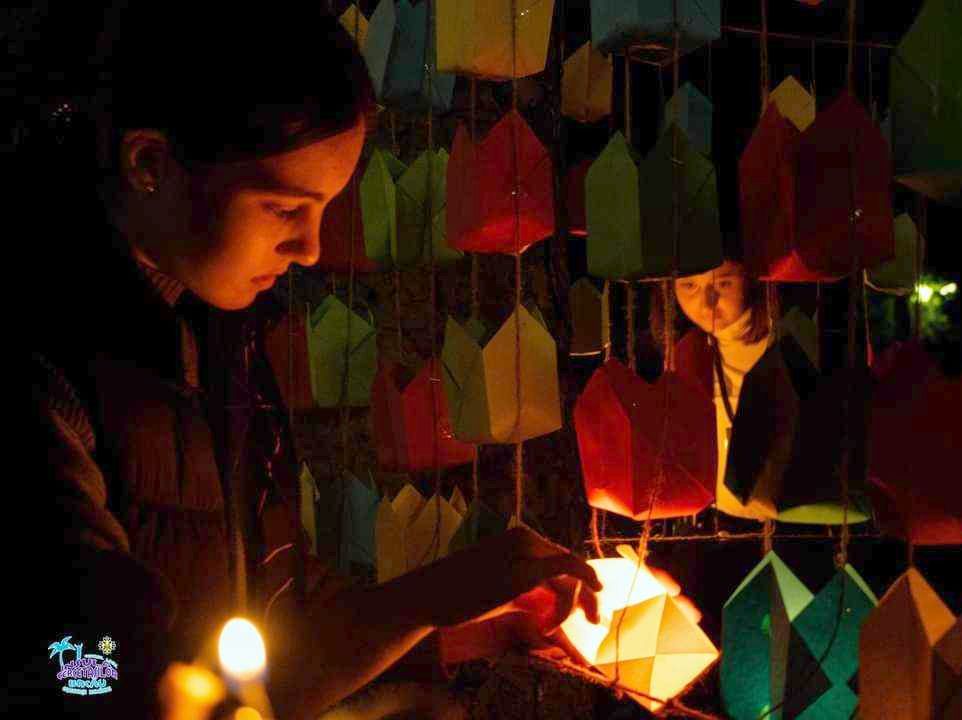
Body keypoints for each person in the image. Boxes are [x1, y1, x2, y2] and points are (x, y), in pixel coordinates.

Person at [26, 4, 600, 718]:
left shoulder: (216, 344)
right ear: (150, 165)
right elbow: (78, 669)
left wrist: (464, 620)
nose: (311, 249)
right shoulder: (48, 367)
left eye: (325, 207)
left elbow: (267, 634)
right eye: (283, 208)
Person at [669, 261, 779, 520]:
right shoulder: (686, 351)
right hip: (717, 519)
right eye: (689, 286)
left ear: (751, 279)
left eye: (723, 284)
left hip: (795, 523)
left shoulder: (783, 342)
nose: (707, 302)